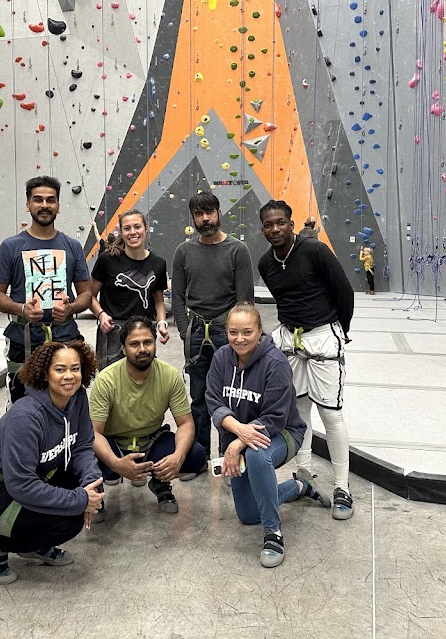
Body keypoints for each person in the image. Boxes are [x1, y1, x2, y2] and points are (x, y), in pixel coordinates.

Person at [0, 340, 104, 585]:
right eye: (60, 369)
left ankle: (33, 543)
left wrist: (91, 487)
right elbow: (21, 485)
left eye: (75, 368)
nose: (69, 376)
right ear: (45, 374)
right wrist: (80, 500)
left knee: (82, 488)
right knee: (69, 520)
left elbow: (82, 447)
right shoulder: (26, 416)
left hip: (22, 480)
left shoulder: (77, 398)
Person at [206, 303, 329, 568]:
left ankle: (273, 533)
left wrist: (237, 444)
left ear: (260, 330)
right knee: (249, 514)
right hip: (241, 436)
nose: (240, 339)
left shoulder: (276, 363)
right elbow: (213, 400)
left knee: (257, 454)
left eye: (247, 332)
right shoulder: (221, 358)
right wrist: (239, 433)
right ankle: (299, 486)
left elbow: (275, 416)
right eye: (233, 332)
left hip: (283, 433)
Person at [258, 199, 356, 520]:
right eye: (268, 225)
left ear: (291, 223)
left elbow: (344, 292)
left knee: (331, 414)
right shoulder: (266, 263)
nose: (275, 229)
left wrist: (339, 330)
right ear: (263, 229)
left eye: (280, 223)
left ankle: (342, 486)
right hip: (290, 340)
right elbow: (284, 300)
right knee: (299, 412)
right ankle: (304, 473)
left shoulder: (315, 251)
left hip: (323, 336)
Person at [0, 176, 91, 408]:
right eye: (38, 200)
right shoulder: (11, 247)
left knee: (70, 402)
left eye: (50, 200)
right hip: (24, 340)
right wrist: (21, 309)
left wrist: (71, 309)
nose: (45, 205)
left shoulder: (72, 246)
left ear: (58, 205)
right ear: (28, 205)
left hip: (65, 336)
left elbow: (86, 294)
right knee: (24, 405)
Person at [88, 317, 205, 519]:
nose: (142, 349)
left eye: (147, 342)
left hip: (150, 443)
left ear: (155, 343)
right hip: (114, 444)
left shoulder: (169, 375)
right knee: (83, 454)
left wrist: (177, 457)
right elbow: (94, 433)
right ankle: (96, 496)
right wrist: (116, 463)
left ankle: (160, 482)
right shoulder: (106, 380)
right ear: (123, 348)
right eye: (134, 344)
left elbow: (186, 423)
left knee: (195, 454)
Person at [172, 191, 254, 476]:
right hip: (196, 333)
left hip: (227, 333)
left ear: (219, 213)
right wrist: (185, 331)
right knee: (198, 398)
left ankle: (228, 460)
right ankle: (199, 457)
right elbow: (177, 297)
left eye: (209, 212)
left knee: (230, 397)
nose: (205, 219)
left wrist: (238, 337)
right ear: (193, 218)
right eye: (199, 214)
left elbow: (245, 301)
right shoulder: (184, 252)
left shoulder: (237, 250)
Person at [89, 210, 169, 368]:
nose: (133, 232)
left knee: (143, 378)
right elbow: (89, 296)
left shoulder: (158, 263)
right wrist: (101, 315)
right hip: (112, 330)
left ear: (146, 229)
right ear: (121, 232)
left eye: (137, 226)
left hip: (143, 331)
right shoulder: (107, 260)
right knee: (111, 379)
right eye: (127, 228)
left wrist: (161, 322)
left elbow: (159, 301)